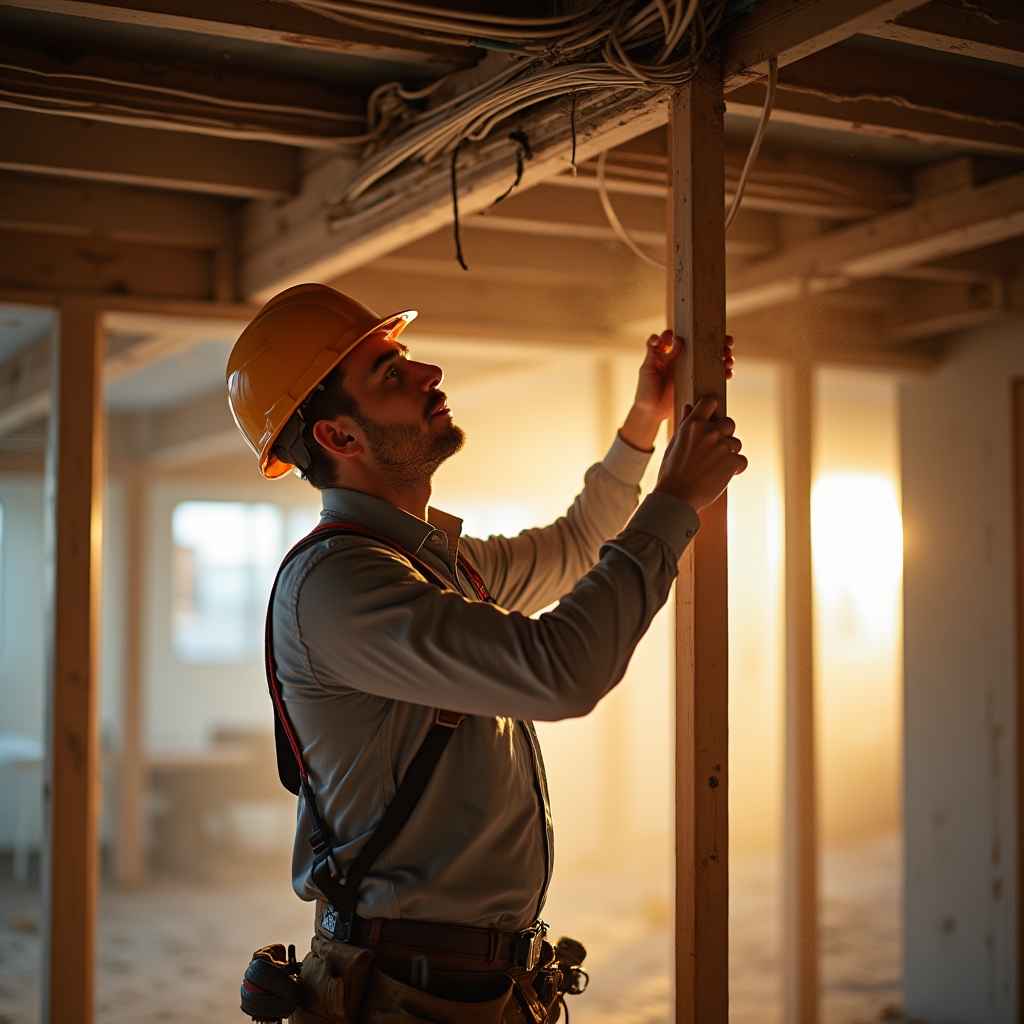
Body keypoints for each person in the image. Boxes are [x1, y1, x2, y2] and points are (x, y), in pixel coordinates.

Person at [226, 283, 745, 1024]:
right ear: (340, 437)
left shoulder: (435, 564)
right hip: (407, 994)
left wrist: (644, 424)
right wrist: (677, 499)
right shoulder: (338, 584)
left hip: (458, 986)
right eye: (390, 372)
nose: (428, 373)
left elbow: (573, 549)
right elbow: (561, 671)